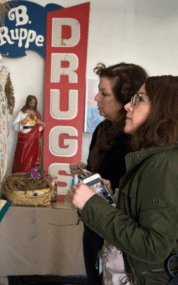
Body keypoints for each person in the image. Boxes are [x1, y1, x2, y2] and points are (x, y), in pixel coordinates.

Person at [71, 76, 178, 285]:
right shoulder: (154, 158)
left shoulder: (163, 164)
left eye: (139, 99)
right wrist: (113, 200)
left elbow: (153, 246)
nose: (129, 106)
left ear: (163, 109)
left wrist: (92, 204)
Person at [70, 63, 148, 285]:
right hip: (92, 225)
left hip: (118, 237)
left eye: (104, 93)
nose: (96, 98)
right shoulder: (102, 130)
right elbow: (105, 172)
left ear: (126, 100)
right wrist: (87, 171)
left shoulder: (138, 142)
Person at [12, 95, 45, 173]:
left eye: (34, 103)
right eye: (31, 103)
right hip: (24, 138)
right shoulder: (22, 112)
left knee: (32, 159)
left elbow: (40, 129)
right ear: (27, 102)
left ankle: (32, 175)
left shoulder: (37, 114)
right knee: (21, 158)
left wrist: (41, 124)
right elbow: (14, 126)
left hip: (33, 140)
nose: (32, 104)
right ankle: (20, 175)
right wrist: (21, 122)